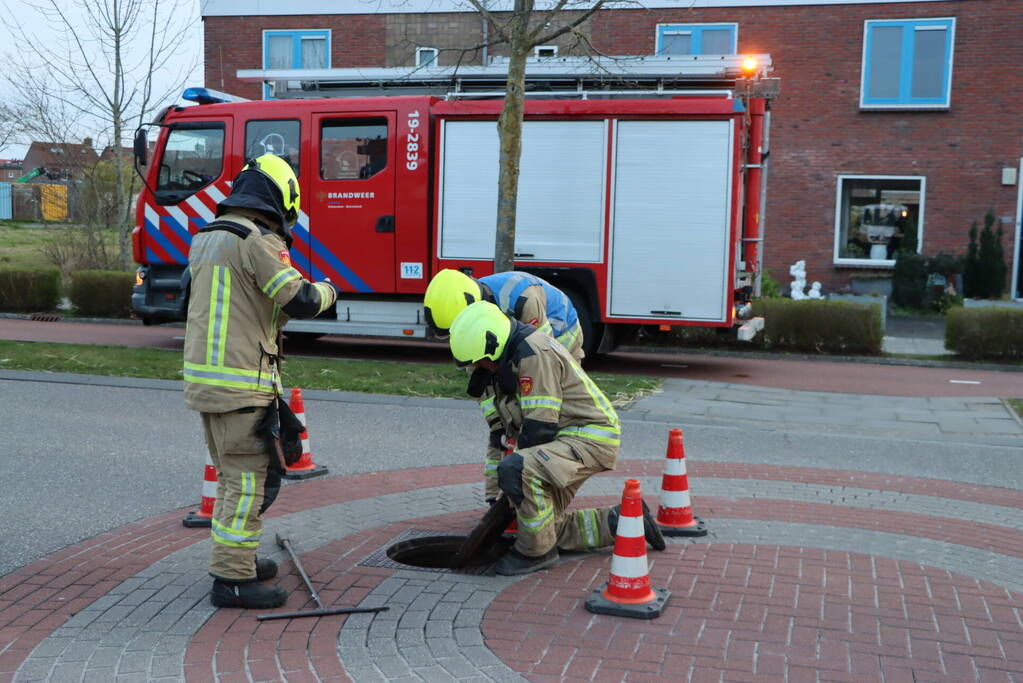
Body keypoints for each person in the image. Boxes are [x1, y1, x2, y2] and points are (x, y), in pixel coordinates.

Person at [183, 154, 337, 609]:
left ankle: (240, 561)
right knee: (247, 485)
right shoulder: (256, 240)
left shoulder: (207, 237)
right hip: (242, 386)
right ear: (280, 199)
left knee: (233, 479)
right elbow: (299, 298)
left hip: (207, 384)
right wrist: (330, 290)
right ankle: (232, 580)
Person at [448, 300, 664, 575]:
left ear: (493, 344)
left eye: (480, 361)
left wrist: (514, 482)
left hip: (588, 438)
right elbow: (509, 432)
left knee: (518, 472)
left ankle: (535, 554)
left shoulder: (533, 353)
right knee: (543, 526)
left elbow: (539, 427)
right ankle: (625, 522)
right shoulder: (511, 356)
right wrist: (503, 496)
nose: (480, 366)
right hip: (566, 438)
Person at [424, 269, 586, 361]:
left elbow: (541, 349)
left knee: (556, 386)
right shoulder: (476, 296)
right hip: (536, 331)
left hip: (562, 331)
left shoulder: (522, 298)